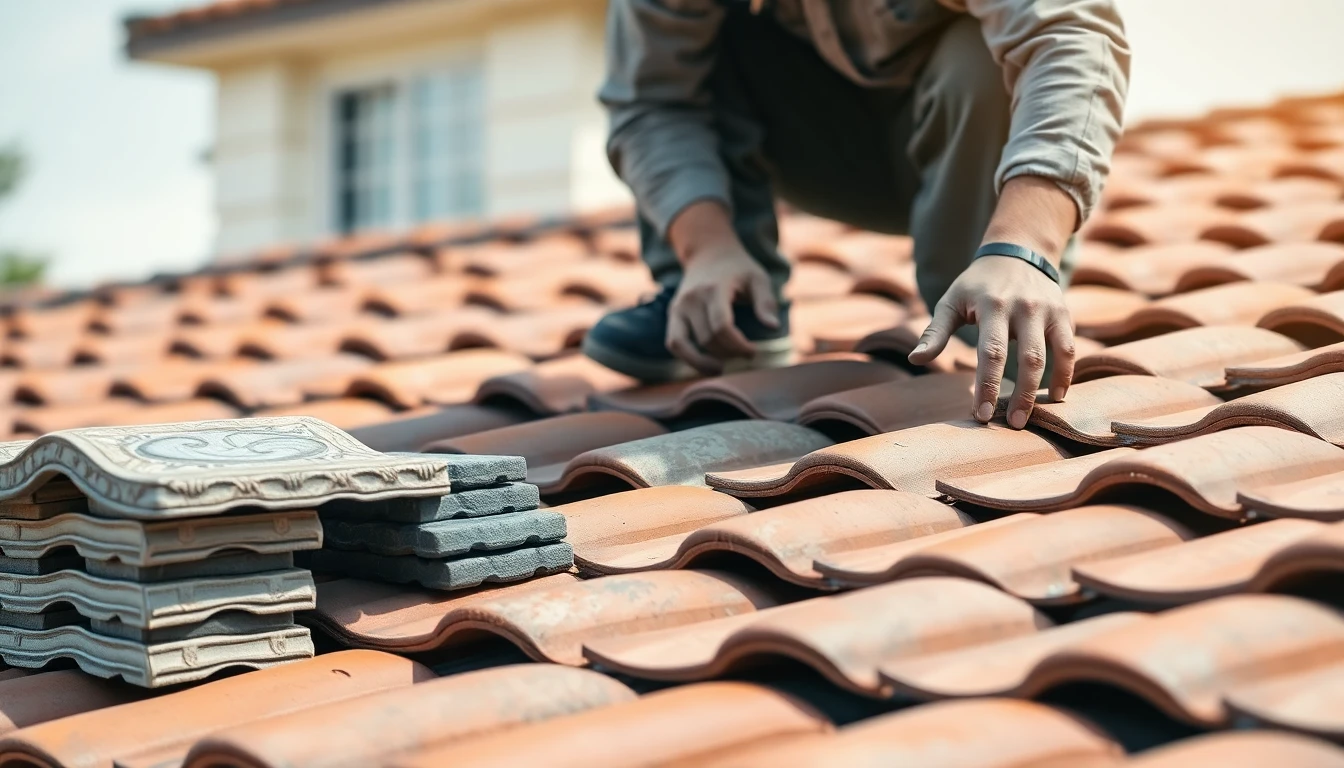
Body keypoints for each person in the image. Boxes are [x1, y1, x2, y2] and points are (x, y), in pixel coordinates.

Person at [580, 0, 1129, 429]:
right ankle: (730, 310)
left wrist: (1023, 244)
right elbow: (653, 98)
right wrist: (707, 248)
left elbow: (1072, 39)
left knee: (979, 55)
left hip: (956, 143)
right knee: (703, 52)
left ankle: (999, 302)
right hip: (818, 145)